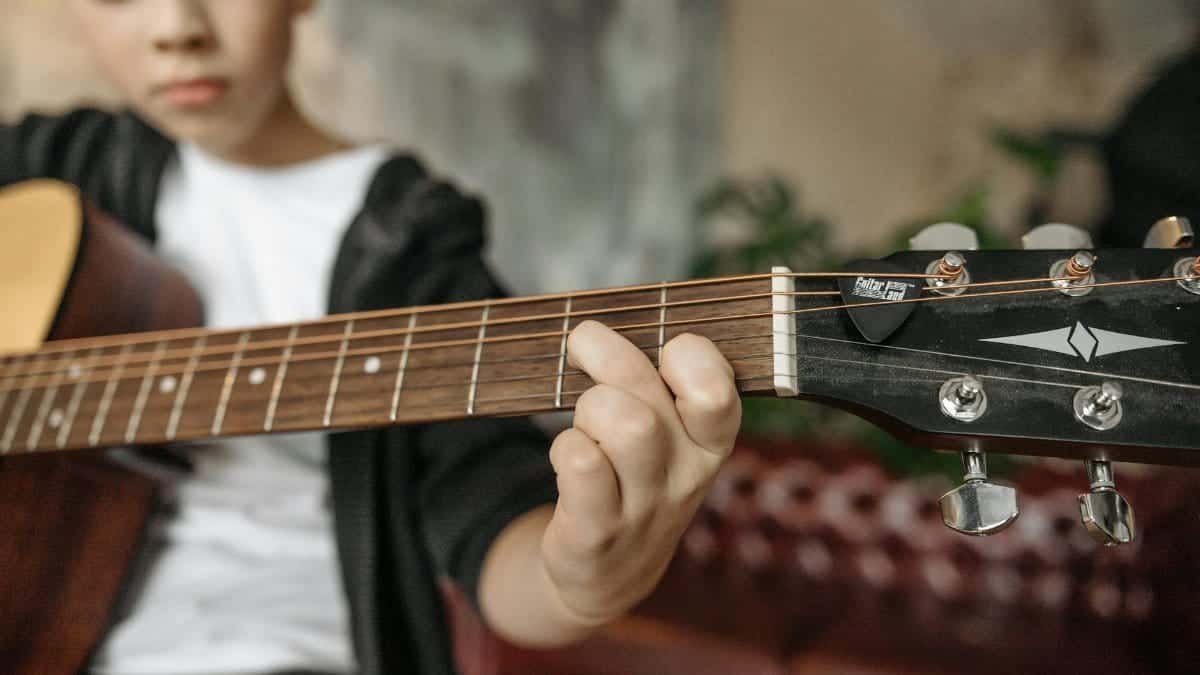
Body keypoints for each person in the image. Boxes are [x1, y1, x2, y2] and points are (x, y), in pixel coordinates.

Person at [0, 2, 741, 674]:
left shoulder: (411, 243)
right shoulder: (59, 167)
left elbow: (495, 528)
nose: (175, 27)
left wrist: (580, 579)